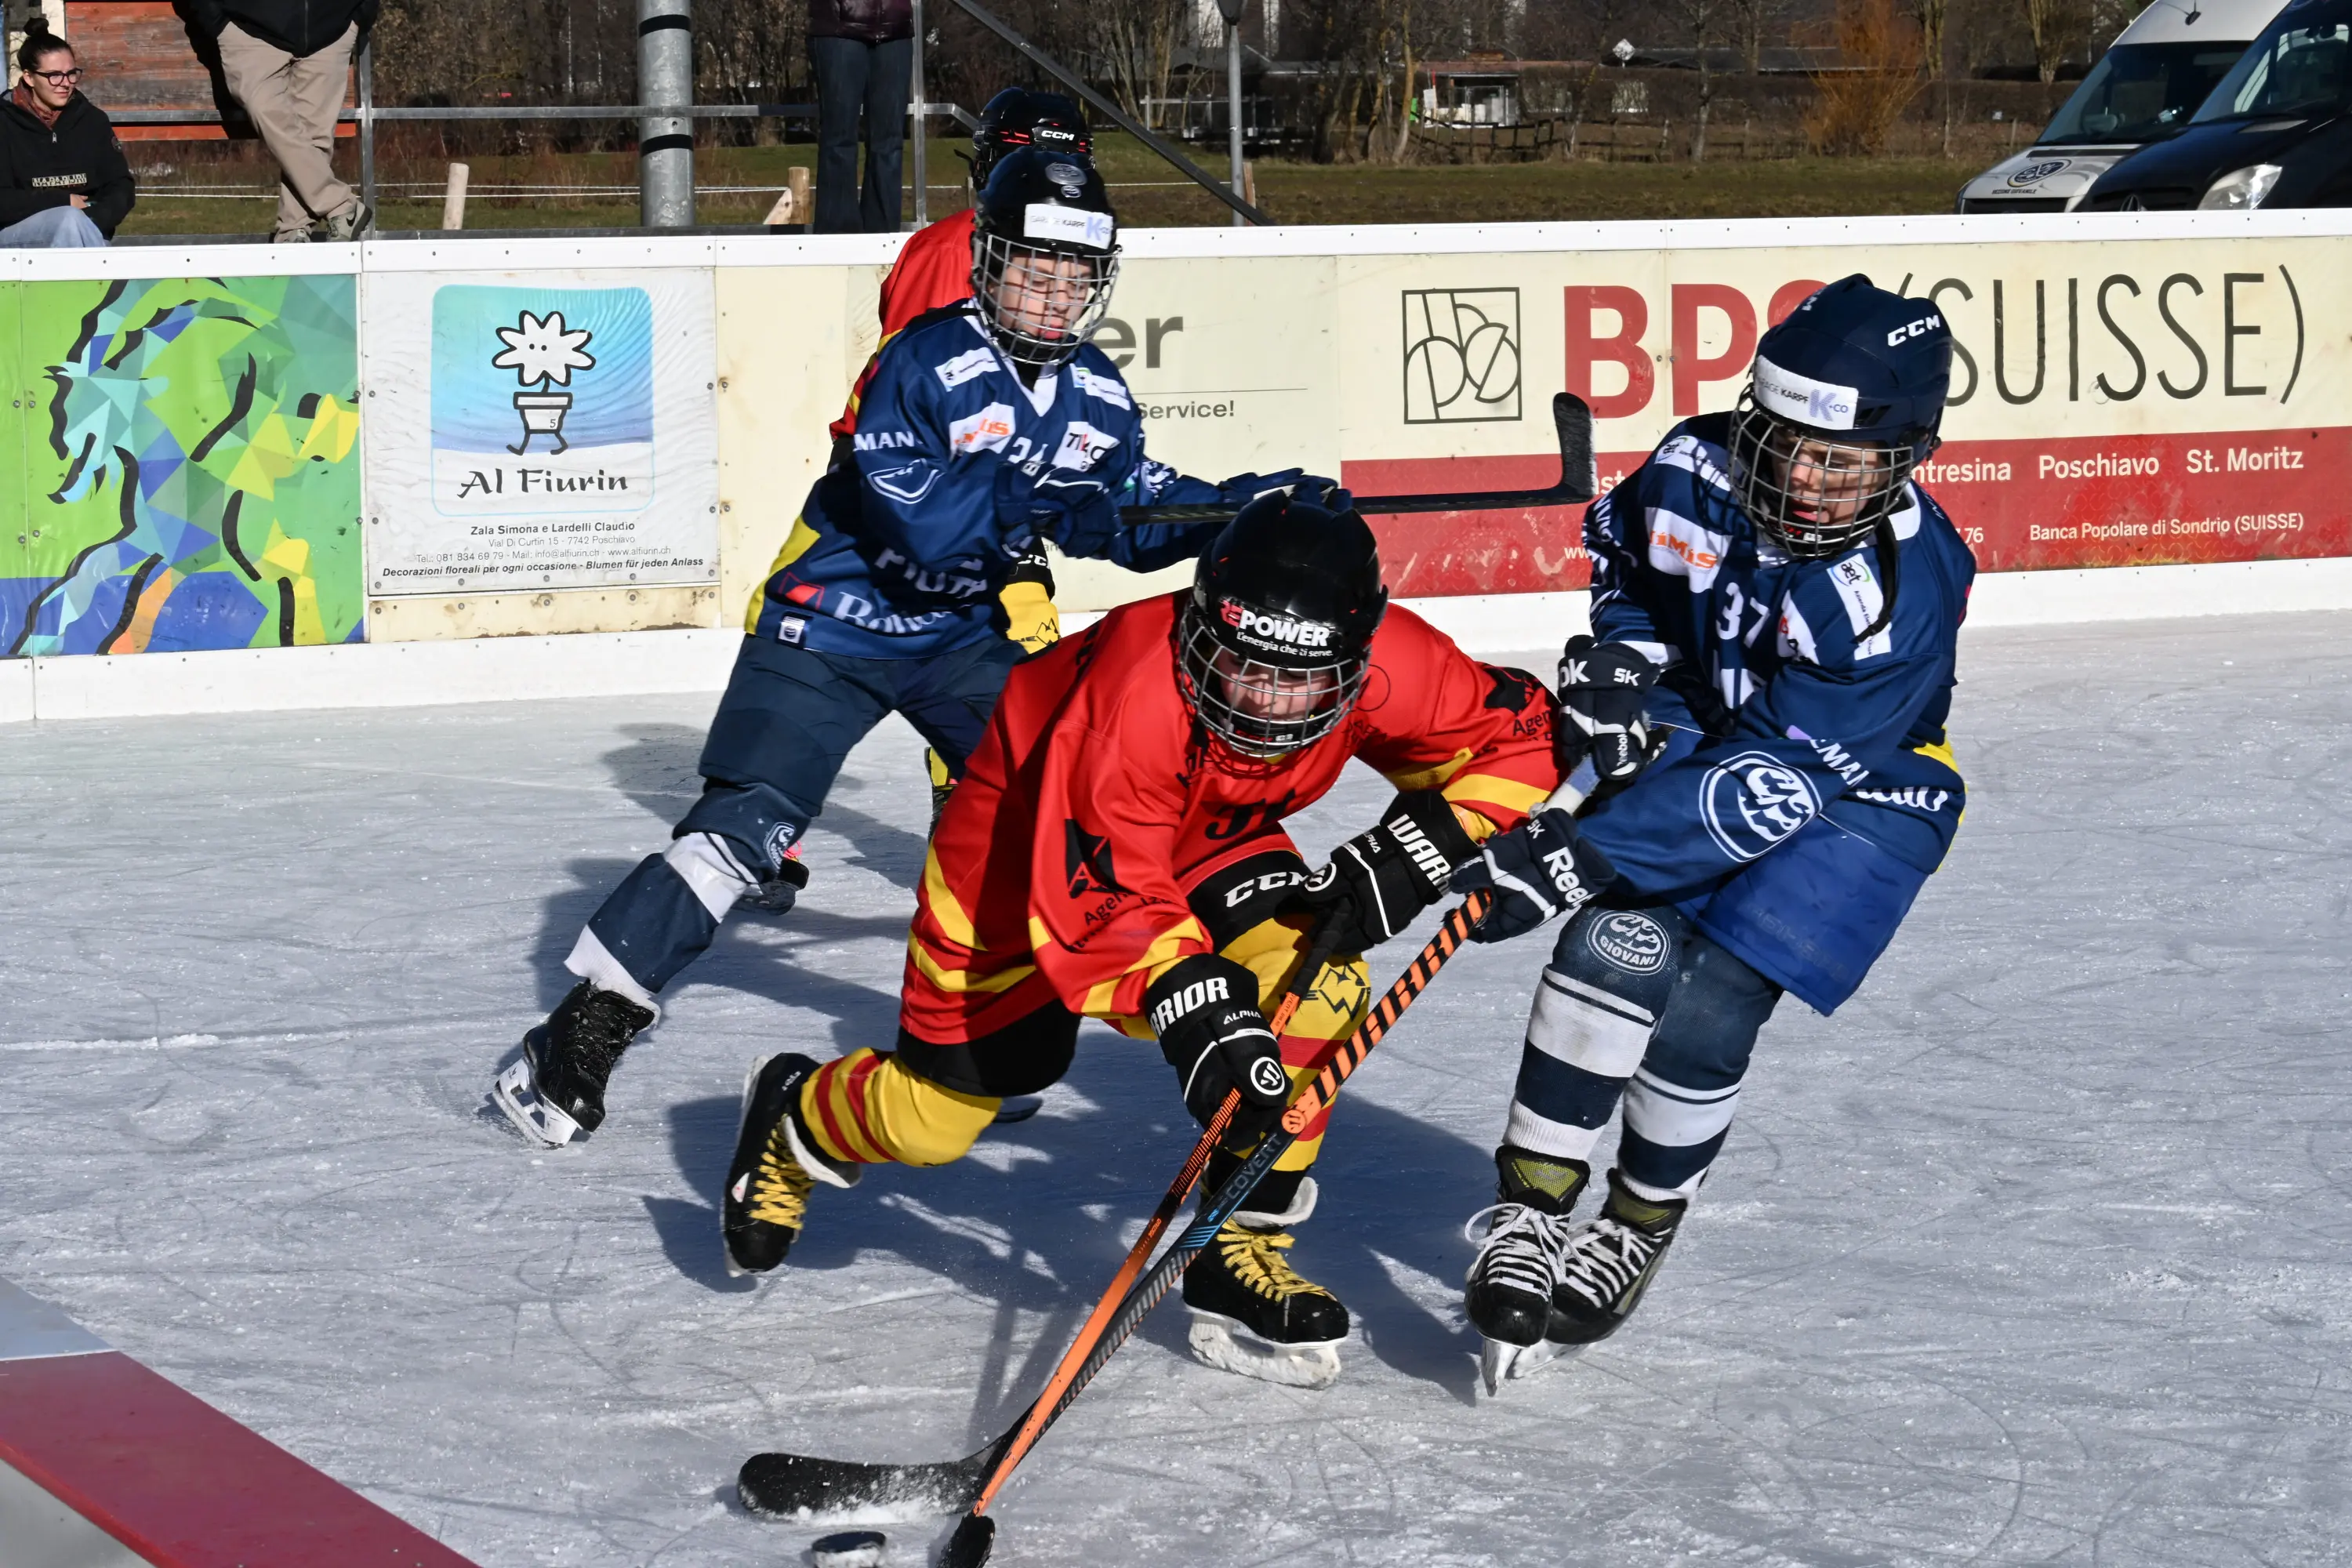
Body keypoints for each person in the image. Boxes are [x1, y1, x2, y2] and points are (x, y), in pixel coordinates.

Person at [491, 149, 1311, 1151]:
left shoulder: (1096, 393)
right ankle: (575, 1036)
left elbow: (1126, 519)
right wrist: (1043, 495)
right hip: (832, 621)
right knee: (744, 832)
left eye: (1074, 275)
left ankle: (977, 1041)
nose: (1054, 295)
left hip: (960, 637)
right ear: (989, 264)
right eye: (1033, 269)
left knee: (1036, 813)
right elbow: (922, 520)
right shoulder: (922, 359)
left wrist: (1244, 512)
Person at [717, 492, 1563, 1387]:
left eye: (1299, 680)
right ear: (1201, 632)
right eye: (1245, 670)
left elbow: (1523, 740)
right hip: (1016, 860)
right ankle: (799, 1113)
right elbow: (1106, 894)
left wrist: (1417, 847)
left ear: (1353, 660)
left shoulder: (1394, 660)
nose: (1269, 706)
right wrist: (1199, 1005)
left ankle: (1236, 1246)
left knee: (1317, 987)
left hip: (1211, 840)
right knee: (934, 1120)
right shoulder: (1128, 695)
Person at [1450, 274, 1976, 1388]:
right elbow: (1628, 566)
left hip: (1859, 789)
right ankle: (1531, 1209)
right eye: (1783, 443)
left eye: (1840, 464)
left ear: (1906, 456)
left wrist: (1581, 853)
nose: (1802, 479)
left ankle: (1640, 1220)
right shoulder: (1694, 465)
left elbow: (1772, 786)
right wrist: (1626, 655)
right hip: (1715, 730)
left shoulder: (1901, 593)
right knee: (1612, 947)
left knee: (1709, 997)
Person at [826, 87, 1094, 828]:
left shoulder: (1002, 248)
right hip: (917, 483)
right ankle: (978, 815)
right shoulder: (961, 247)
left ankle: (968, 808)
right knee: (999, 651)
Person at [189, 0, 376, 241]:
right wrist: (217, 21)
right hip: (248, 29)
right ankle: (340, 204)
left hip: (333, 26)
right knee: (264, 108)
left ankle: (293, 231)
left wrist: (361, 13)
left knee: (314, 137)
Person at [0, 22, 133, 247]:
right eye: (54, 76)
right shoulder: (4, 122)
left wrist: (94, 219)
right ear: (29, 77)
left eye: (71, 74)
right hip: (15, 234)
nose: (65, 84)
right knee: (68, 221)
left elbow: (121, 185)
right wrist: (62, 202)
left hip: (86, 228)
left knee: (73, 225)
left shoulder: (92, 120)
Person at [808, 0, 911, 234]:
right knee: (839, 139)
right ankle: (837, 241)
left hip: (895, 26)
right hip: (838, 26)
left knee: (890, 142)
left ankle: (883, 240)